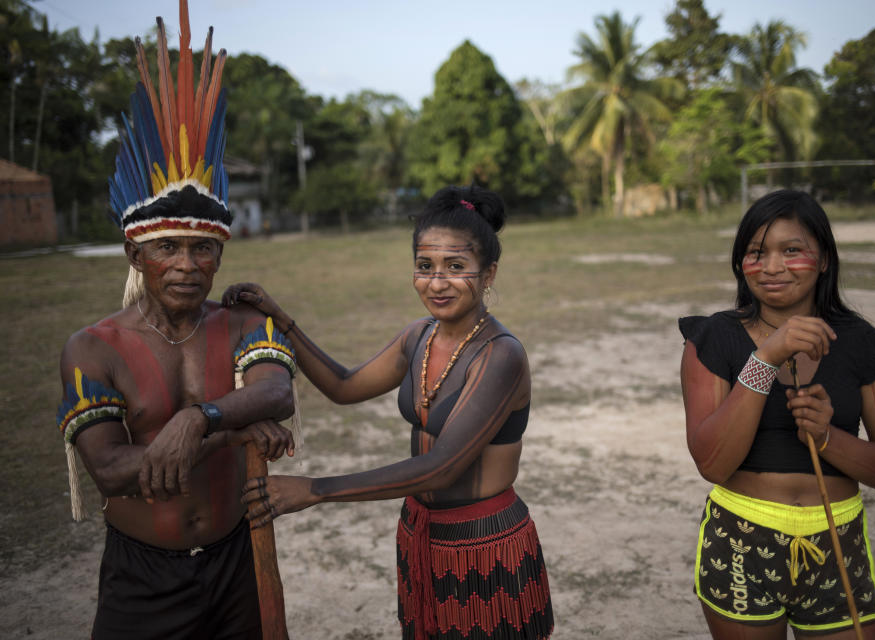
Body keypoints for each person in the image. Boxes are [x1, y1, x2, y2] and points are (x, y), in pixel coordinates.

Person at [56, 3, 297, 638]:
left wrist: (198, 418)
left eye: (203, 248)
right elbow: (110, 470)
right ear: (135, 253)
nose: (186, 264)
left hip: (235, 559)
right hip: (143, 574)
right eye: (167, 247)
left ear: (221, 254)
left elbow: (277, 391)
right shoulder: (93, 348)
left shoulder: (241, 321)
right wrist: (238, 431)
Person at [222, 186, 554, 640]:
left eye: (456, 267)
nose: (437, 282)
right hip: (420, 533)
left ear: (488, 273)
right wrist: (280, 319)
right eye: (425, 267)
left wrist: (315, 490)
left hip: (485, 542)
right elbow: (342, 386)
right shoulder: (417, 337)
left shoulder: (500, 356)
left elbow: (441, 468)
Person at [678, 190, 875, 639]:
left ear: (823, 259)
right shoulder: (712, 339)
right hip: (740, 539)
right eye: (756, 253)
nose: (771, 268)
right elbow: (713, 464)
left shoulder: (864, 346)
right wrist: (765, 359)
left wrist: (828, 438)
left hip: (836, 536)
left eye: (791, 250)